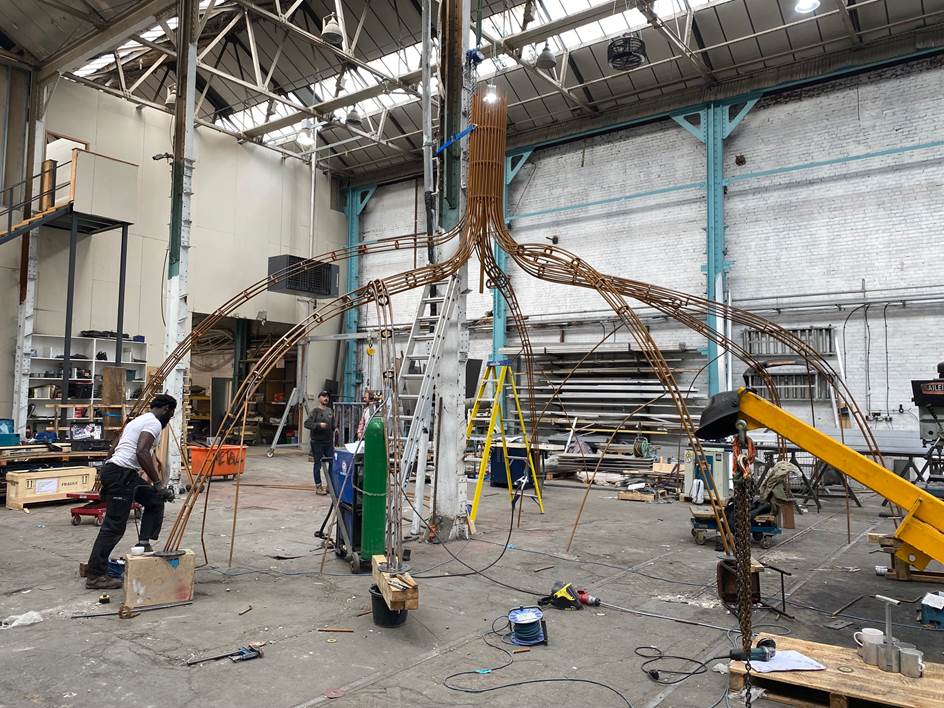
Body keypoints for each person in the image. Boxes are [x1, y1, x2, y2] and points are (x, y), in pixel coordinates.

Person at [84, 393, 177, 590]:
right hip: (120, 474)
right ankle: (96, 574)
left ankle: (144, 543)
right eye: (171, 414)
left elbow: (114, 447)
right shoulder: (152, 423)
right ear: (167, 410)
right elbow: (141, 451)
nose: (170, 418)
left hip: (118, 472)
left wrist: (105, 476)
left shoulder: (138, 421)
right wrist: (158, 482)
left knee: (154, 500)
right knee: (114, 526)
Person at [305, 390, 335, 495]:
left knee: (332, 462)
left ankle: (329, 486)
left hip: (328, 442)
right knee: (318, 464)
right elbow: (307, 424)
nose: (326, 398)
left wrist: (335, 428)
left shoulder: (330, 411)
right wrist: (318, 425)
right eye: (323, 396)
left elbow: (333, 424)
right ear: (319, 398)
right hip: (317, 442)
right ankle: (318, 486)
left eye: (327, 397)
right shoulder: (315, 412)